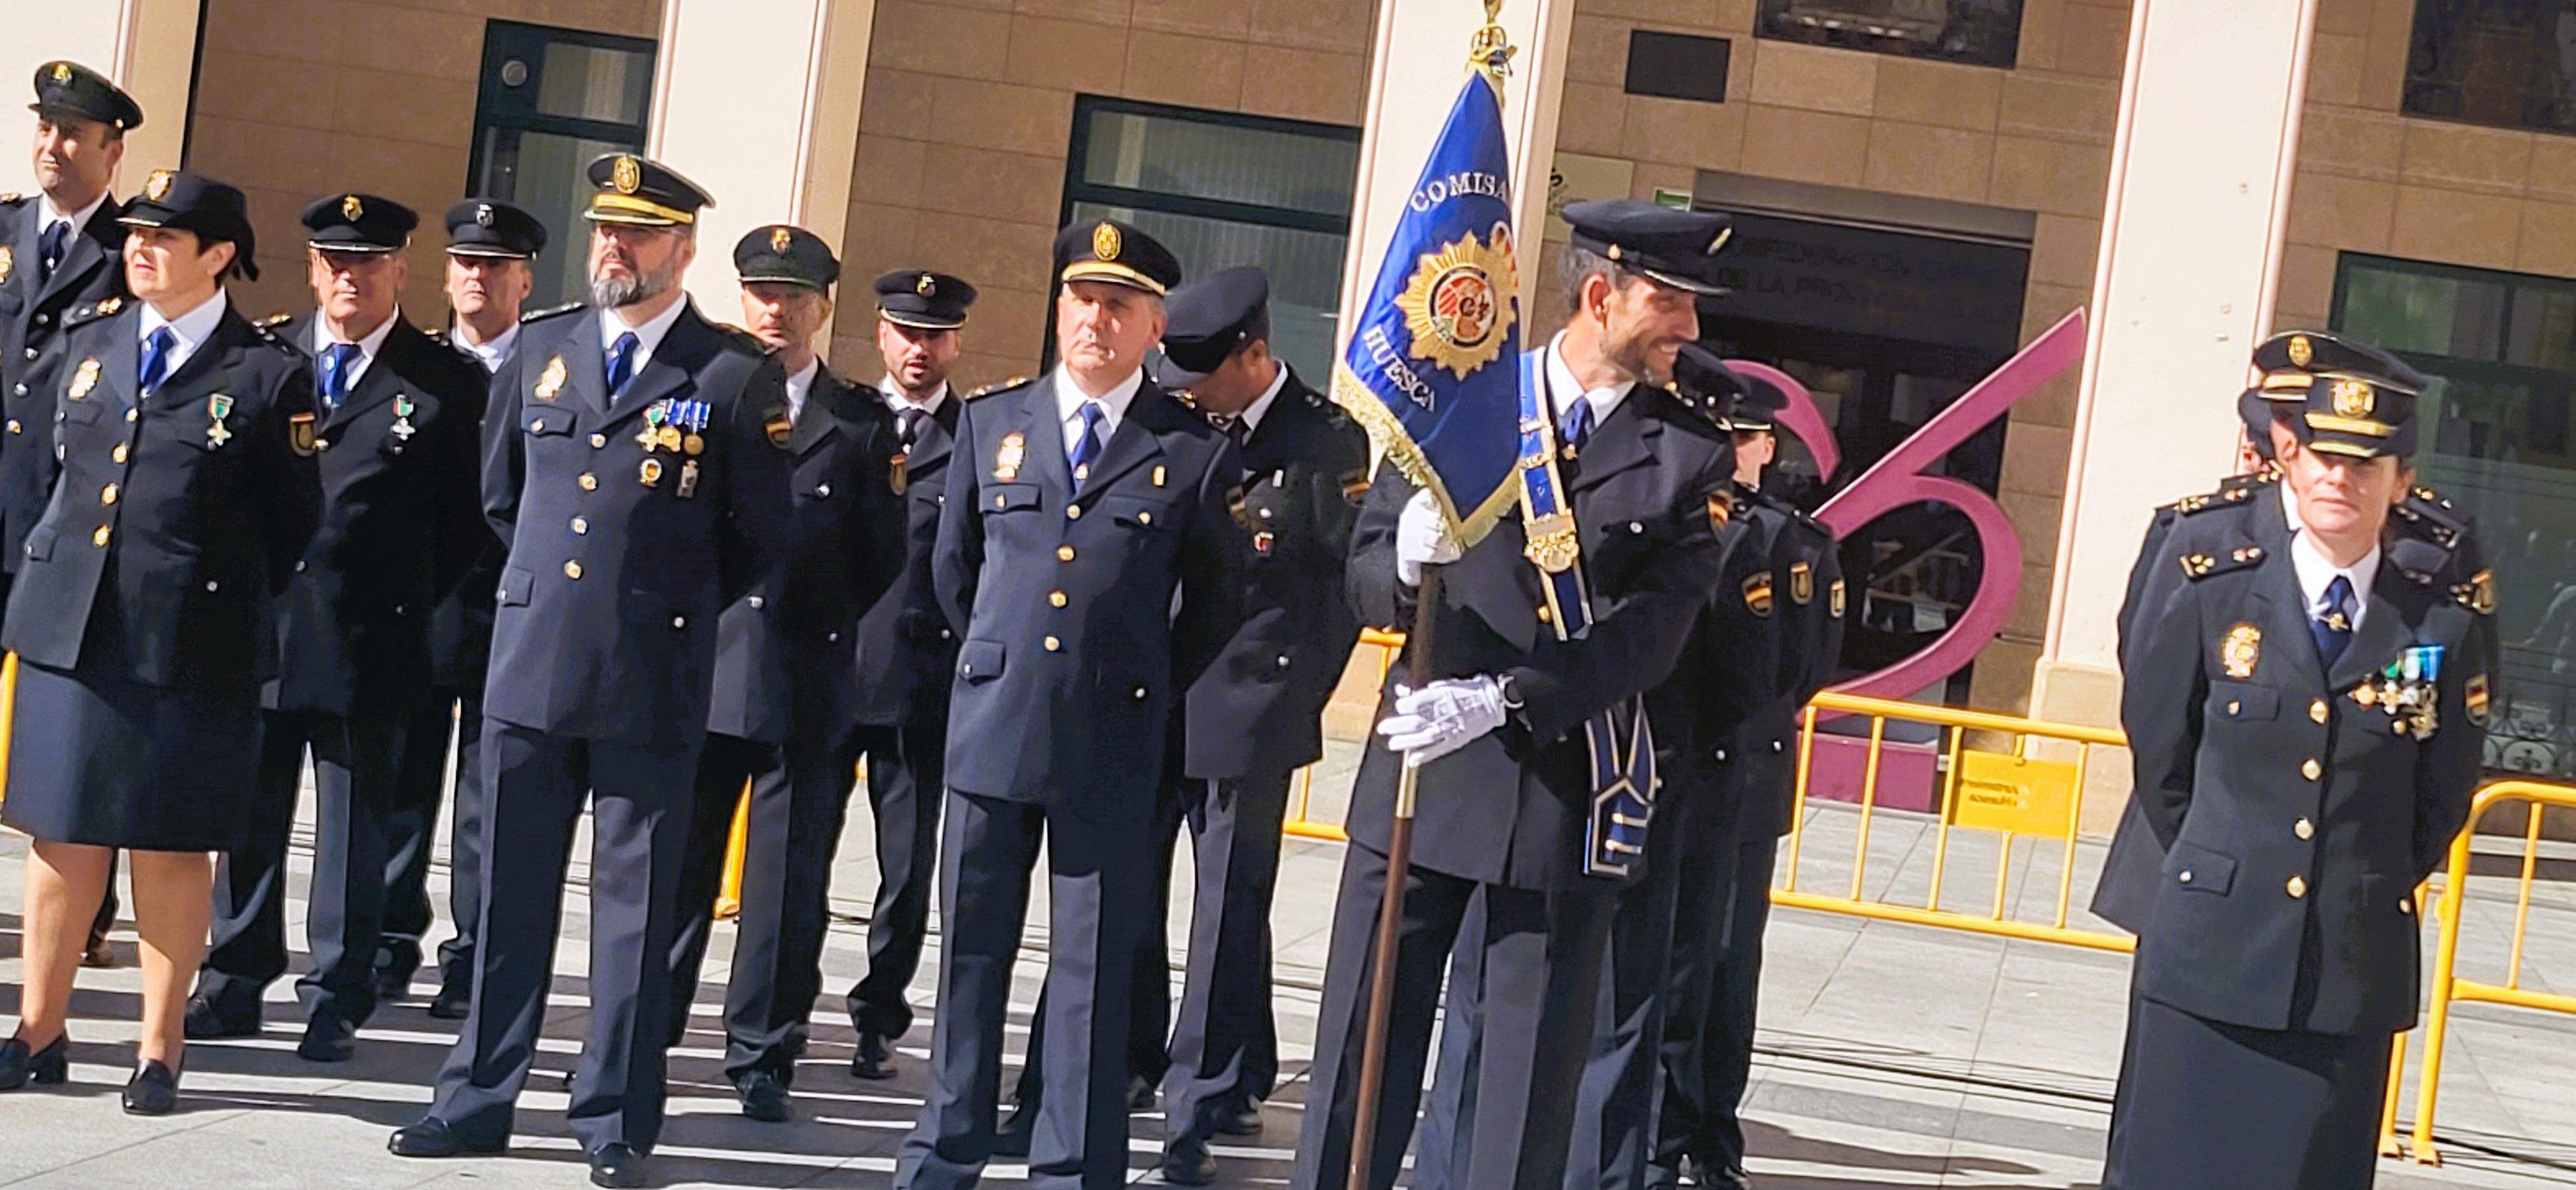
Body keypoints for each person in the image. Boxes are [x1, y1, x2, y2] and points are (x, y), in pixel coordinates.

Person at [1293, 200, 1736, 1190]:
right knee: (1360, 1064)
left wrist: (1508, 696)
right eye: (1670, 303)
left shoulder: (1687, 455)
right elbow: (1360, 573)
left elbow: (1650, 636)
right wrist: (1402, 566)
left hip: (1558, 799)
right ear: (1598, 295)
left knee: (1522, 1099)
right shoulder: (1465, 402)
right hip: (1422, 784)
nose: (1690, 331)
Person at [390, 153, 789, 1190]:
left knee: (634, 910)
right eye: (606, 228)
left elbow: (760, 538)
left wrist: (666, 602)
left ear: (683, 249)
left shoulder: (731, 374)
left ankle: (612, 1113)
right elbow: (499, 497)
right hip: (530, 664)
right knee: (506, 898)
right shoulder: (546, 347)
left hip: (649, 675)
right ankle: (476, 1096)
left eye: (640, 233)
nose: (615, 247)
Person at [895, 218, 1245, 1190]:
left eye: (1120, 306)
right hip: (995, 727)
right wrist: (1001, 665)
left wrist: (1138, 685)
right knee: (972, 958)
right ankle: (946, 1147)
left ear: (1154, 326)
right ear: (1059, 311)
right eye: (1083, 301)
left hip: (1112, 739)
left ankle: (1073, 1165)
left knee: (1091, 973)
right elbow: (954, 573)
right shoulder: (993, 423)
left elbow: (1214, 605)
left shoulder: (1190, 449)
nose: (1098, 320)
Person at [2106, 349, 2485, 1189]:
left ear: (2401, 481)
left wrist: (2350, 876)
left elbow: (2440, 793)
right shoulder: (2217, 589)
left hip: (2345, 973)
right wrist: (2228, 866)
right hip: (2210, 956)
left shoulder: (2437, 623)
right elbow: (2164, 758)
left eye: (2366, 466)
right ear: (2290, 461)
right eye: (2326, 459)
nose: (2340, 482)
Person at [0, 169, 321, 1113]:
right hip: (75, 625)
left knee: (172, 850)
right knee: (62, 838)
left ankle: (158, 1047)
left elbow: (292, 521)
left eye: (166, 238)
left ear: (219, 256)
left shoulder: (264, 373)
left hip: (194, 640)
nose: (140, 247)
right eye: (137, 233)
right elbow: (55, 470)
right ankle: (38, 1029)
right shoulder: (89, 341)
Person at [186, 193, 489, 1062]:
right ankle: (236, 974)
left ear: (400, 270)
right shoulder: (269, 357)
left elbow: (470, 517)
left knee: (359, 826)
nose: (350, 276)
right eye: (335, 261)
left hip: (374, 633)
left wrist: (409, 595)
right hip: (266, 626)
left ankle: (337, 990)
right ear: (314, 269)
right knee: (251, 813)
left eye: (369, 261)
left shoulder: (445, 382)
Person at [662, 223, 895, 1122]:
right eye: (761, 291)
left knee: (785, 887)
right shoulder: (702, 398)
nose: (776, 309)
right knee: (674, 874)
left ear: (823, 306)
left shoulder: (860, 423)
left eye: (794, 295)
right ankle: (643, 1032)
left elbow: (880, 555)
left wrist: (818, 625)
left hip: (804, 676)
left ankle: (763, 1051)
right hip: (704, 666)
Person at [1654, 367, 1844, 1188]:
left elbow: (1800, 671)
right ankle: (1651, 1133)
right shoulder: (1670, 520)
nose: (1730, 454)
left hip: (1741, 778)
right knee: (1660, 962)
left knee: (1724, 966)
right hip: (1666, 773)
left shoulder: (1793, 542)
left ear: (1767, 446)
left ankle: (1706, 1133)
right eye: (1718, 438)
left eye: (1742, 441)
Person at [377, 197, 548, 1018]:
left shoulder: (549, 367)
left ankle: (471, 956)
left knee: (492, 794)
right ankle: (385, 939)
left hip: (514, 608)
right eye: (464, 264)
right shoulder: (415, 366)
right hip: (424, 601)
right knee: (403, 780)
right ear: (444, 275)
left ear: (524, 280)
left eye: (493, 266)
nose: (475, 278)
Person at [1, 60, 145, 972]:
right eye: (45, 128)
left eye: (72, 134)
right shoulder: (4, 228)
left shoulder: (135, 256)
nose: (53, 147)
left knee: (64, 736)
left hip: (62, 533)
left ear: (111, 150)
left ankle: (86, 911)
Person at [843, 265, 977, 1083]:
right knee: (795, 861)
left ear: (955, 342)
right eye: (905, 333)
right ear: (881, 336)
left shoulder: (982, 439)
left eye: (934, 335)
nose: (919, 349)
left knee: (905, 872)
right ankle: (780, 1010)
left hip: (925, 686)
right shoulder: (847, 422)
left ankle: (876, 1015)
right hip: (831, 672)